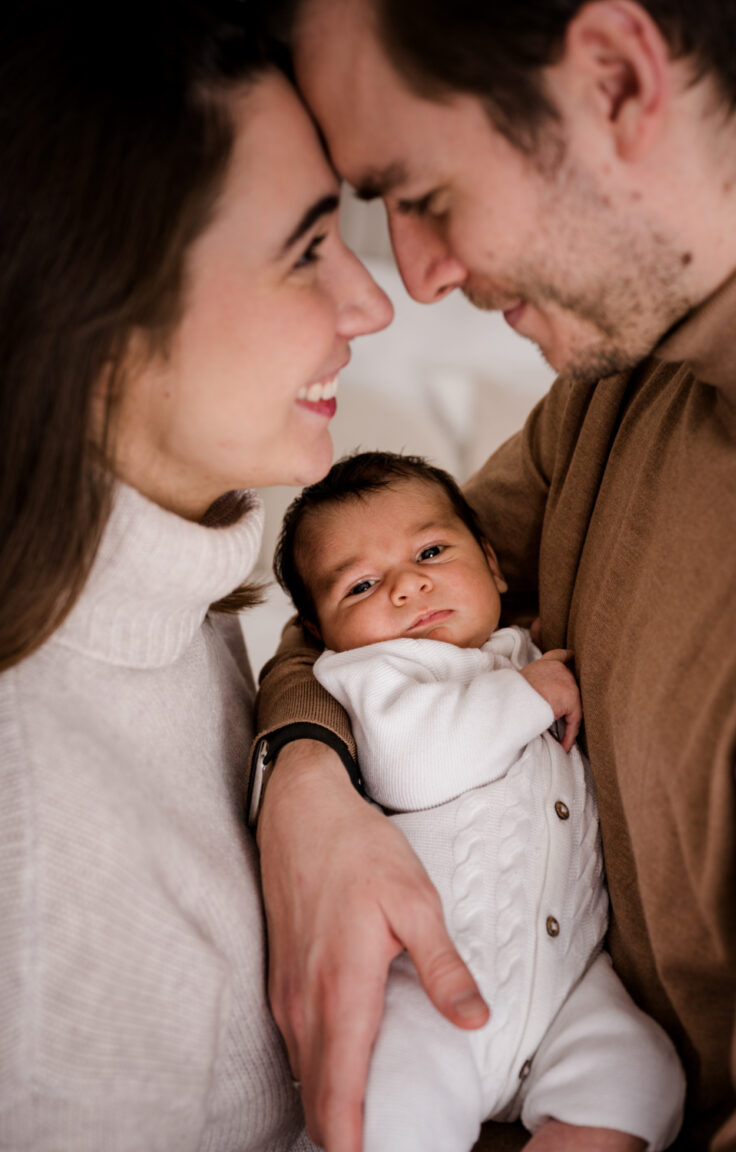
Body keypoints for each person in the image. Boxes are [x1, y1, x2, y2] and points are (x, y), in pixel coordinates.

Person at [252, 1, 736, 1150]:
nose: (417, 280)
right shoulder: (619, 380)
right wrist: (305, 784)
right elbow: (353, 613)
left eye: (423, 196)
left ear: (619, 80)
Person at [0, 4, 393, 1149]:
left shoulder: (169, 601)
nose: (372, 302)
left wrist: (303, 751)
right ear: (101, 320)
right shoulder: (41, 871)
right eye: (307, 250)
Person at [267, 449, 685, 1152]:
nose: (408, 586)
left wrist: (531, 672)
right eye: (362, 585)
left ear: (493, 565)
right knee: (391, 1115)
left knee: (642, 1077)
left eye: (431, 550)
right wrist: (529, 695)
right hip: (425, 992)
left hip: (570, 984)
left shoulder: (522, 652)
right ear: (319, 636)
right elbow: (414, 767)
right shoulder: (375, 675)